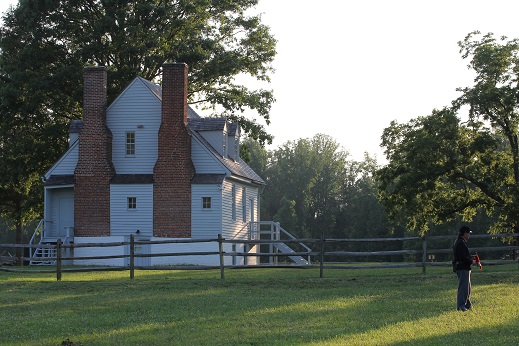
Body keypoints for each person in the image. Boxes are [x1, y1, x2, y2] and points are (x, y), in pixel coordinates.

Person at [452, 226, 476, 311]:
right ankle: (461, 305)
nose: (469, 234)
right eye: (468, 233)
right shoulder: (460, 243)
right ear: (465, 233)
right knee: (463, 287)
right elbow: (462, 257)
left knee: (467, 287)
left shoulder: (461, 242)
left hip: (464, 267)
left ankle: (467, 304)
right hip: (462, 267)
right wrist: (471, 261)